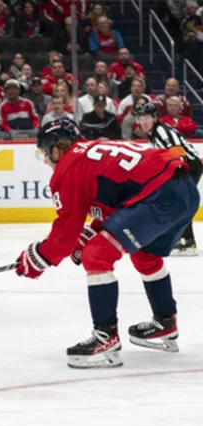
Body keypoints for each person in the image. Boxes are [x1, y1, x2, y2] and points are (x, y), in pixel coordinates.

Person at [15, 118, 199, 368]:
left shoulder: (67, 167)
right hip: (184, 189)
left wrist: (38, 257)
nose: (46, 160)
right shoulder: (92, 152)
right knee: (145, 255)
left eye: (44, 153)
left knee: (96, 256)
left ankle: (106, 337)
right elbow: (123, 196)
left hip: (158, 195)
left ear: (56, 150)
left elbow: (65, 234)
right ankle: (165, 323)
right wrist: (94, 229)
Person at [136, 102, 202, 255]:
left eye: (147, 118)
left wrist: (177, 177)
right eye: (141, 119)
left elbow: (179, 155)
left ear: (154, 118)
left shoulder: (162, 131)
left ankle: (187, 239)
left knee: (180, 203)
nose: (144, 122)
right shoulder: (153, 133)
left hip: (188, 166)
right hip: (181, 166)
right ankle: (185, 238)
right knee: (178, 203)